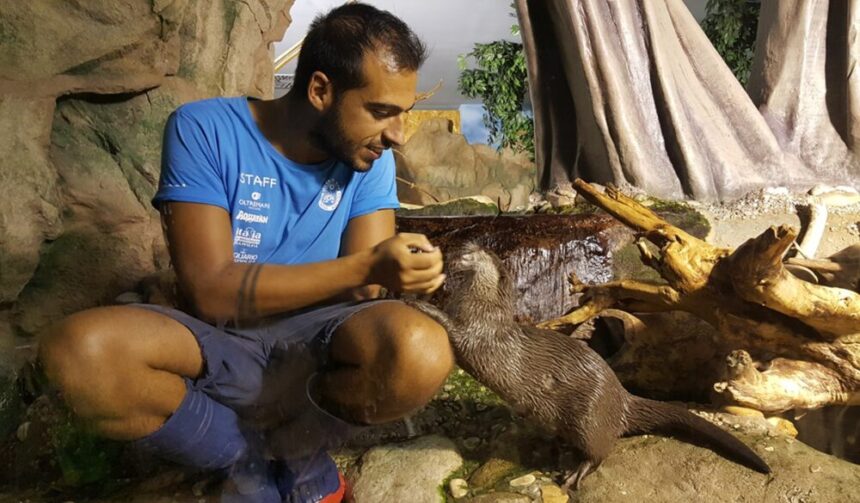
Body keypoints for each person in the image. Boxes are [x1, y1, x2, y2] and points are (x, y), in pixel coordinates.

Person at [36, 3, 454, 502]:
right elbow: (211, 292)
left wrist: (400, 268)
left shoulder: (369, 158)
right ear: (320, 90)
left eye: (403, 113)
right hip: (215, 338)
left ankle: (296, 451)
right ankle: (248, 460)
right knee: (76, 354)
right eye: (381, 111)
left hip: (314, 347)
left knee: (422, 349)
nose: (396, 135)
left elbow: (364, 290)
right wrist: (368, 264)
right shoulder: (204, 128)